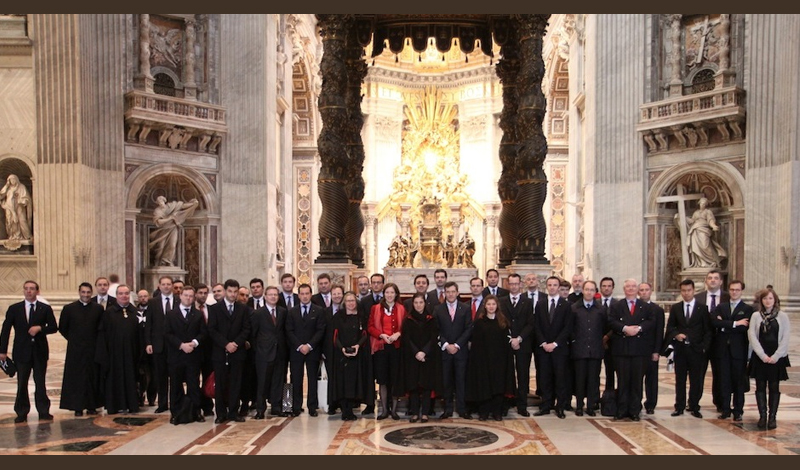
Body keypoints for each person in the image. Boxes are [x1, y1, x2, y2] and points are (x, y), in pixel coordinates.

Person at [0, 280, 58, 423]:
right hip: (21, 351)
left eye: (32, 289)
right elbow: (6, 330)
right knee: (22, 382)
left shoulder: (44, 308)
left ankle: (43, 411)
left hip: (39, 351)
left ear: (37, 291)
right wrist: (2, 351)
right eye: (26, 288)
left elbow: (53, 327)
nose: (29, 291)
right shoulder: (15, 308)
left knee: (40, 381)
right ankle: (21, 411)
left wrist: (40, 328)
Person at [664, 279, 712, 418]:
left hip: (697, 350)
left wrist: (704, 347)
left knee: (696, 380)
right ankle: (679, 406)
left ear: (693, 291)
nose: (686, 293)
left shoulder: (702, 308)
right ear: (681, 292)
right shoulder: (676, 308)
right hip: (680, 350)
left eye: (689, 290)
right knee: (680, 379)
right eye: (683, 291)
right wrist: (676, 335)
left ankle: (694, 405)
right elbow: (671, 326)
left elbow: (707, 330)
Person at [607, 279, 654, 421]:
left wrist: (639, 328)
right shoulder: (616, 305)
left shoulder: (645, 306)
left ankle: (634, 410)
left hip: (639, 351)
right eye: (628, 286)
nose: (631, 289)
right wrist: (624, 328)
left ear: (637, 289)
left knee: (636, 381)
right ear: (624, 289)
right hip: (621, 350)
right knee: (622, 381)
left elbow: (651, 321)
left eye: (634, 286)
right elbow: (611, 321)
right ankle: (621, 410)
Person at [207, 279, 252, 423]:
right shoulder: (214, 309)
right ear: (226, 291)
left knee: (236, 383)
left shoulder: (243, 309)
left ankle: (233, 412)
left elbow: (246, 329)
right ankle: (220, 413)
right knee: (220, 384)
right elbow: (212, 330)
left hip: (237, 352)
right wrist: (226, 344)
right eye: (230, 291)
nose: (233, 294)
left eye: (235, 292)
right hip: (220, 352)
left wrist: (235, 343)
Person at [466, 295, 515, 421]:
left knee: (498, 386)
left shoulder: (503, 322)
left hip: (499, 361)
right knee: (484, 386)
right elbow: (475, 343)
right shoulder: (479, 322)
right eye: (489, 304)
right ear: (485, 306)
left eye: (493, 304)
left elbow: (506, 343)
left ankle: (497, 412)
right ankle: (484, 412)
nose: (491, 307)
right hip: (483, 360)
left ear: (497, 306)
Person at [748, 288, 791, 430]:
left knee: (774, 386)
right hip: (760, 356)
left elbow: (785, 337)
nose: (768, 301)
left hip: (776, 357)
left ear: (775, 300)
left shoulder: (782, 316)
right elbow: (752, 336)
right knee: (760, 386)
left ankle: (772, 417)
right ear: (761, 300)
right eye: (765, 298)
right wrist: (762, 355)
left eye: (770, 298)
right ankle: (763, 416)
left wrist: (776, 356)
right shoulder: (756, 316)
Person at [59, 282, 104, 416]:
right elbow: (63, 328)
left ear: (91, 293)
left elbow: (101, 328)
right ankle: (77, 406)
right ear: (79, 292)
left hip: (92, 349)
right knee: (76, 378)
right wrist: (74, 340)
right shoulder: (69, 308)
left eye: (88, 292)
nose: (85, 295)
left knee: (92, 377)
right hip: (75, 350)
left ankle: (92, 406)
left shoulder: (98, 309)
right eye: (83, 292)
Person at [164, 286, 207, 424]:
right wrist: (181, 345)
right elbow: (167, 333)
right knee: (176, 385)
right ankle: (176, 412)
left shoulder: (198, 314)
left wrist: (194, 343)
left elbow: (203, 333)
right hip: (176, 355)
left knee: (193, 384)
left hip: (193, 355)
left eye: (191, 296)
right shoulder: (171, 314)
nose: (188, 298)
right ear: (180, 296)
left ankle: (196, 411)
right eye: (186, 295)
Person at [711, 280, 752, 421]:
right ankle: (725, 409)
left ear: (741, 291)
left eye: (737, 290)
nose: (734, 292)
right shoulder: (721, 307)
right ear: (729, 290)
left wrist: (725, 325)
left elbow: (744, 327)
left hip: (738, 350)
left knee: (738, 381)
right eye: (732, 289)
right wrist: (735, 323)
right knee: (724, 380)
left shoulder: (747, 309)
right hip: (722, 349)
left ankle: (738, 410)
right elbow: (715, 322)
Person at [534, 276, 573, 419]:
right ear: (546, 287)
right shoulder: (540, 304)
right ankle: (545, 405)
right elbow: (536, 325)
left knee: (560, 378)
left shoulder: (566, 305)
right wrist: (544, 343)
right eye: (549, 285)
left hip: (559, 349)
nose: (552, 287)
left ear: (558, 287)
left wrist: (555, 343)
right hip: (543, 348)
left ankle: (560, 407)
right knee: (545, 378)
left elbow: (567, 327)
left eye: (554, 285)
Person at [399, 293, 441, 423]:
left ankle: (425, 413)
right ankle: (415, 413)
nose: (418, 305)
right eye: (416, 303)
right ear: (413, 304)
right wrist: (416, 352)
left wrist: (424, 352)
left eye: (420, 302)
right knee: (414, 386)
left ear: (425, 303)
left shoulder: (431, 319)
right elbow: (406, 339)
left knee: (426, 385)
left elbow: (433, 338)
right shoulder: (408, 320)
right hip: (412, 357)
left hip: (427, 357)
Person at [100, 285, 141, 414]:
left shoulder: (135, 312)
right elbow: (103, 334)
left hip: (131, 353)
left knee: (131, 378)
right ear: (116, 296)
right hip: (114, 354)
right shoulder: (109, 313)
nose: (124, 296)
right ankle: (114, 405)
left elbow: (140, 334)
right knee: (114, 379)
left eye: (126, 293)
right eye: (121, 294)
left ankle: (132, 404)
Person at [433, 281, 472, 419]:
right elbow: (435, 329)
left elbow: (468, 328)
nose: (450, 294)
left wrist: (457, 345)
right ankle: (448, 409)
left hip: (460, 351)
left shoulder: (465, 308)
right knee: (446, 381)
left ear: (457, 293)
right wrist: (446, 345)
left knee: (461, 381)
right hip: (445, 351)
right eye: (447, 292)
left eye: (452, 291)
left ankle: (462, 409)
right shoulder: (438, 309)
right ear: (444, 293)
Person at [285, 283, 325, 417]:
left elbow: (320, 330)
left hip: (312, 350)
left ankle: (312, 406)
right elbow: (289, 331)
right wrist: (299, 346)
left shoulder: (319, 310)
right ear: (299, 295)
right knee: (296, 378)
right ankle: (296, 406)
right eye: (302, 294)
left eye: (307, 293)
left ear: (311, 294)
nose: (304, 296)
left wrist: (309, 345)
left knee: (313, 378)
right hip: (296, 350)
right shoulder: (292, 311)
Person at [331, 292, 372, 421]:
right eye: (348, 301)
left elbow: (365, 334)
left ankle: (351, 409)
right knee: (342, 382)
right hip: (341, 355)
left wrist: (358, 346)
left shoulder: (361, 317)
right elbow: (334, 336)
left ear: (356, 302)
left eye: (352, 301)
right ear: (344, 303)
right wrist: (342, 348)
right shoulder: (338, 316)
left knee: (354, 383)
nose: (350, 303)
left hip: (357, 354)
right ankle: (345, 410)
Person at [368, 283, 406, 420]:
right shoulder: (375, 308)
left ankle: (394, 410)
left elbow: (406, 327)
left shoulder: (402, 309)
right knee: (383, 380)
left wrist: (398, 334)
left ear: (396, 294)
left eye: (392, 292)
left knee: (395, 379)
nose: (389, 295)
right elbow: (370, 327)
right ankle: (384, 409)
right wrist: (381, 335)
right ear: (384, 294)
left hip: (396, 348)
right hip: (381, 347)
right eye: (387, 292)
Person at [695, 269, 730, 413]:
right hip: (702, 341)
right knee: (698, 373)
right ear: (706, 281)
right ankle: (694, 402)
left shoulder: (728, 297)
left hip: (721, 341)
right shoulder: (698, 297)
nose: (713, 280)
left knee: (720, 373)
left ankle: (720, 402)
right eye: (710, 278)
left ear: (721, 281)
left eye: (716, 278)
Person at [499, 273, 533, 417]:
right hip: (506, 344)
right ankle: (506, 403)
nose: (513, 286)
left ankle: (522, 405)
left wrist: (518, 339)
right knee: (507, 375)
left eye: (516, 284)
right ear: (507, 285)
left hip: (522, 344)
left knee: (523, 375)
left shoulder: (527, 301)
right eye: (511, 284)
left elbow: (530, 324)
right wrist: (510, 339)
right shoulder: (501, 301)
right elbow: (501, 322)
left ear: (520, 285)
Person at [250, 286, 287, 419]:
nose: (273, 297)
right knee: (262, 382)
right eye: (270, 295)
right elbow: (253, 334)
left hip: (280, 352)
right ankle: (260, 408)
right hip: (263, 353)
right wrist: (258, 350)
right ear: (265, 296)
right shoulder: (258, 313)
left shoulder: (283, 312)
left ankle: (276, 407)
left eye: (275, 295)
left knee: (278, 381)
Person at [570, 280, 606, 417]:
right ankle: (579, 405)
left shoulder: (601, 309)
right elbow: (571, 328)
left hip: (595, 349)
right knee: (579, 379)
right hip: (579, 349)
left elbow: (604, 327)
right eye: (587, 289)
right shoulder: (574, 308)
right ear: (583, 291)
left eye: (592, 290)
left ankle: (591, 405)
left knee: (593, 379)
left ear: (595, 292)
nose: (589, 292)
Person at [145, 276, 176, 414]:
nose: (166, 287)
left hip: (175, 345)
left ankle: (175, 402)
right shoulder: (152, 302)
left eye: (169, 284)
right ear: (159, 286)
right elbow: (149, 324)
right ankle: (162, 403)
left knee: (175, 376)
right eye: (163, 284)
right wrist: (148, 343)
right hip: (158, 345)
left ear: (172, 286)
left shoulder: (179, 300)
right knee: (160, 375)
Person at [148, 195, 199, 266]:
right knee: (160, 247)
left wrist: (193, 204)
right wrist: (170, 218)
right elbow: (158, 222)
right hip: (163, 230)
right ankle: (158, 262)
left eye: (161, 201)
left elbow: (183, 206)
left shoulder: (171, 206)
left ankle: (168, 261)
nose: (160, 203)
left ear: (164, 201)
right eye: (159, 202)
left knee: (172, 245)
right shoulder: (157, 211)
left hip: (173, 228)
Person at [639, 282, 665, 415]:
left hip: (651, 349)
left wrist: (657, 350)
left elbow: (659, 332)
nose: (644, 292)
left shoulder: (657, 310)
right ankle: (636, 402)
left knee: (651, 379)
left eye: (646, 290)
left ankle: (650, 404)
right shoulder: (634, 307)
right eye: (641, 290)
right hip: (637, 349)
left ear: (650, 291)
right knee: (637, 378)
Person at [685, 197, 727, 268]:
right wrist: (683, 218)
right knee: (696, 247)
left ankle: (712, 261)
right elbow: (692, 221)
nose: (702, 205)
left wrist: (713, 226)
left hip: (704, 230)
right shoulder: (696, 212)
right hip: (695, 230)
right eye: (701, 203)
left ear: (706, 204)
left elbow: (711, 220)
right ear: (699, 204)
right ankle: (701, 263)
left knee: (705, 246)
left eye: (704, 203)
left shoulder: (708, 212)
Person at [322, 284, 344, 415]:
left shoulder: (346, 311)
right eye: (334, 294)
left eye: (339, 293)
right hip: (329, 350)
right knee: (331, 377)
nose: (337, 296)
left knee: (342, 377)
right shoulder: (325, 312)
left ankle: (343, 403)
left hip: (342, 350)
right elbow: (323, 333)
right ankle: (332, 404)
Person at [193, 284, 215, 417]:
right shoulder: (191, 310)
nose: (203, 295)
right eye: (200, 292)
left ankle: (207, 407)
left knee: (208, 379)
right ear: (195, 294)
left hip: (209, 351)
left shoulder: (212, 309)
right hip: (195, 350)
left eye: (205, 293)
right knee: (194, 379)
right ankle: (195, 407)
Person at [135, 288, 156, 408]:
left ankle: (152, 397)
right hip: (139, 347)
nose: (143, 298)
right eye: (140, 296)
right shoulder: (134, 311)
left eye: (145, 296)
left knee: (153, 373)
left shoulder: (153, 310)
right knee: (140, 374)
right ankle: (140, 395)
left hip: (151, 346)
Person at [0, 174, 32, 240]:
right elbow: (1, 196)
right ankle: (12, 235)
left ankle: (27, 236)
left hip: (19, 206)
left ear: (16, 179)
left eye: (14, 179)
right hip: (9, 207)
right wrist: (6, 186)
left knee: (22, 220)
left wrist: (22, 200)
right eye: (11, 180)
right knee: (10, 222)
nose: (12, 181)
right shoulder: (8, 188)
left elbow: (26, 198)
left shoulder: (21, 187)